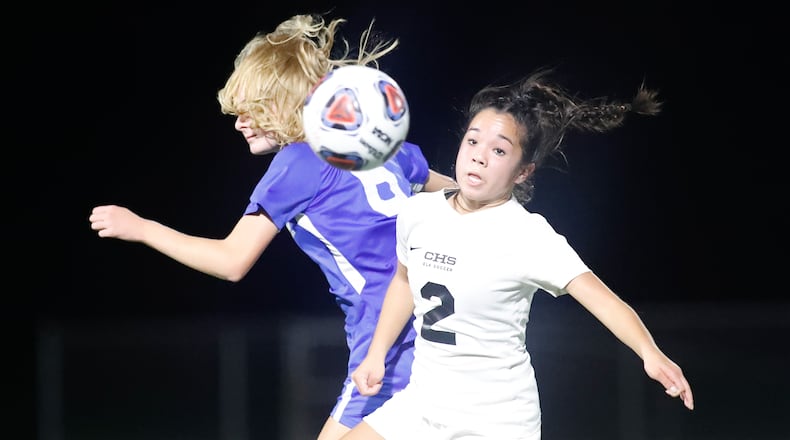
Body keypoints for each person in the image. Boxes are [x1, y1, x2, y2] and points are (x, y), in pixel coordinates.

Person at [88, 14, 455, 440]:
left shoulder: (299, 161)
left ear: (289, 104)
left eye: (252, 110)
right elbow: (460, 195)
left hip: (387, 352)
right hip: (433, 335)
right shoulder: (383, 147)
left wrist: (143, 228)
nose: (240, 121)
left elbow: (232, 261)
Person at [339, 69, 694, 440]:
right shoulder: (419, 213)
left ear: (523, 172)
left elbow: (603, 301)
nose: (479, 157)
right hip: (422, 405)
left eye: (498, 150)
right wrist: (376, 353)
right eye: (473, 142)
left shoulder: (527, 235)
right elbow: (403, 280)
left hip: (494, 421)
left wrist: (651, 354)